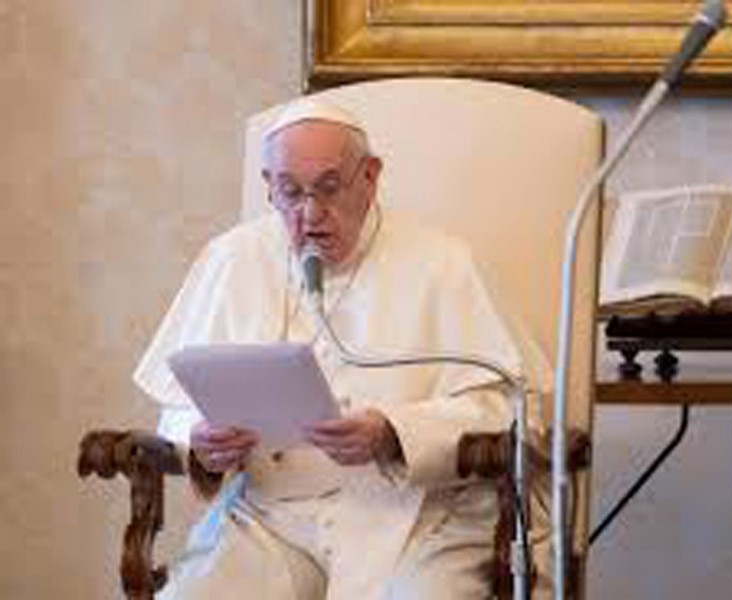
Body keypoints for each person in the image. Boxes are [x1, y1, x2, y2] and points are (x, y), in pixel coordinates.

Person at [133, 98, 538, 599]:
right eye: (289, 192)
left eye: (328, 188)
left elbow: (511, 408)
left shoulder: (444, 262)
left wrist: (394, 433)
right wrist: (199, 440)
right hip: (269, 517)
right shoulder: (232, 258)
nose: (310, 214)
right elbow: (175, 405)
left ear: (370, 177)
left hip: (413, 514)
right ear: (268, 185)